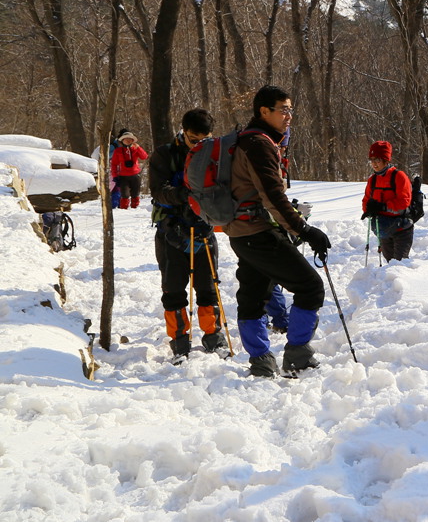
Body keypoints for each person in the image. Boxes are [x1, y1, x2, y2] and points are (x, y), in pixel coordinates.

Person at [227, 85, 332, 377]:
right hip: (258, 232)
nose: (289, 116)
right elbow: (273, 196)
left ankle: (261, 360)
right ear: (264, 111)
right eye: (283, 110)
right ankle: (297, 354)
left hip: (243, 232)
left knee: (253, 295)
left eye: (290, 109)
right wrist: (305, 230)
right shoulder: (258, 144)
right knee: (310, 287)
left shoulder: (250, 140)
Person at [148, 109, 228, 359]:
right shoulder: (165, 154)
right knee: (173, 288)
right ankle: (179, 338)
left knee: (208, 285)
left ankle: (213, 334)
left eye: (205, 139)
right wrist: (185, 195)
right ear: (183, 132)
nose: (199, 144)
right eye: (194, 139)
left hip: (204, 226)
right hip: (172, 227)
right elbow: (158, 190)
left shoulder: (216, 153)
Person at [362, 140, 415, 262]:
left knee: (400, 265)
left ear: (386, 160)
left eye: (377, 160)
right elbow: (366, 199)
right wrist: (368, 209)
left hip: (402, 228)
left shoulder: (399, 176)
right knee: (390, 264)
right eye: (372, 160)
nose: (374, 164)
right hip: (383, 229)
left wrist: (382, 207)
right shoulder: (373, 180)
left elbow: (404, 202)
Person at [111, 130, 149, 209]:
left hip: (135, 175)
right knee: (124, 195)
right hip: (123, 176)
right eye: (126, 139)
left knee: (135, 194)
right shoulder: (118, 151)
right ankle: (124, 210)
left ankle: (135, 209)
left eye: (130, 139)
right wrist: (115, 176)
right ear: (122, 140)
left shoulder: (136, 149)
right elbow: (114, 164)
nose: (128, 140)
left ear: (133, 140)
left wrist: (138, 148)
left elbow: (144, 156)